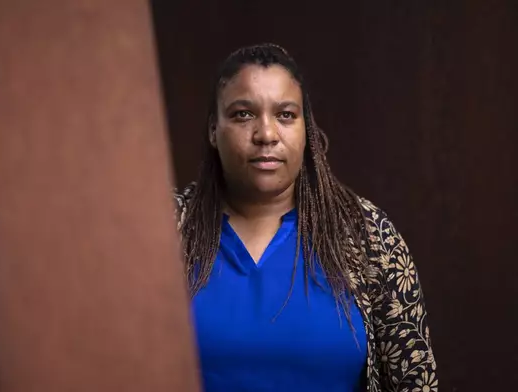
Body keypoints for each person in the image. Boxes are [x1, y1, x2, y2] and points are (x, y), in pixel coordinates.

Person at [174, 44, 437, 392]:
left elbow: (415, 383)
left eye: (285, 115)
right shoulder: (166, 229)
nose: (266, 134)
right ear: (213, 129)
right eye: (242, 114)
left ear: (306, 129)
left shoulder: (368, 235)